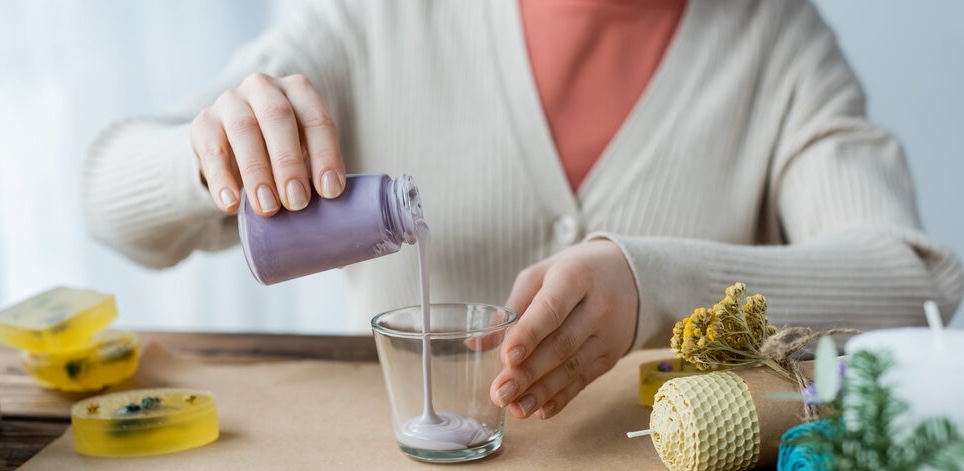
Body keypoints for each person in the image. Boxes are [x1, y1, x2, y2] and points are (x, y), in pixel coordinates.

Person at [81, 0, 964, 422]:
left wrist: (652, 282)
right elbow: (107, 196)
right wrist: (210, 154)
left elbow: (912, 283)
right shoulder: (371, 21)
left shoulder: (777, 45)